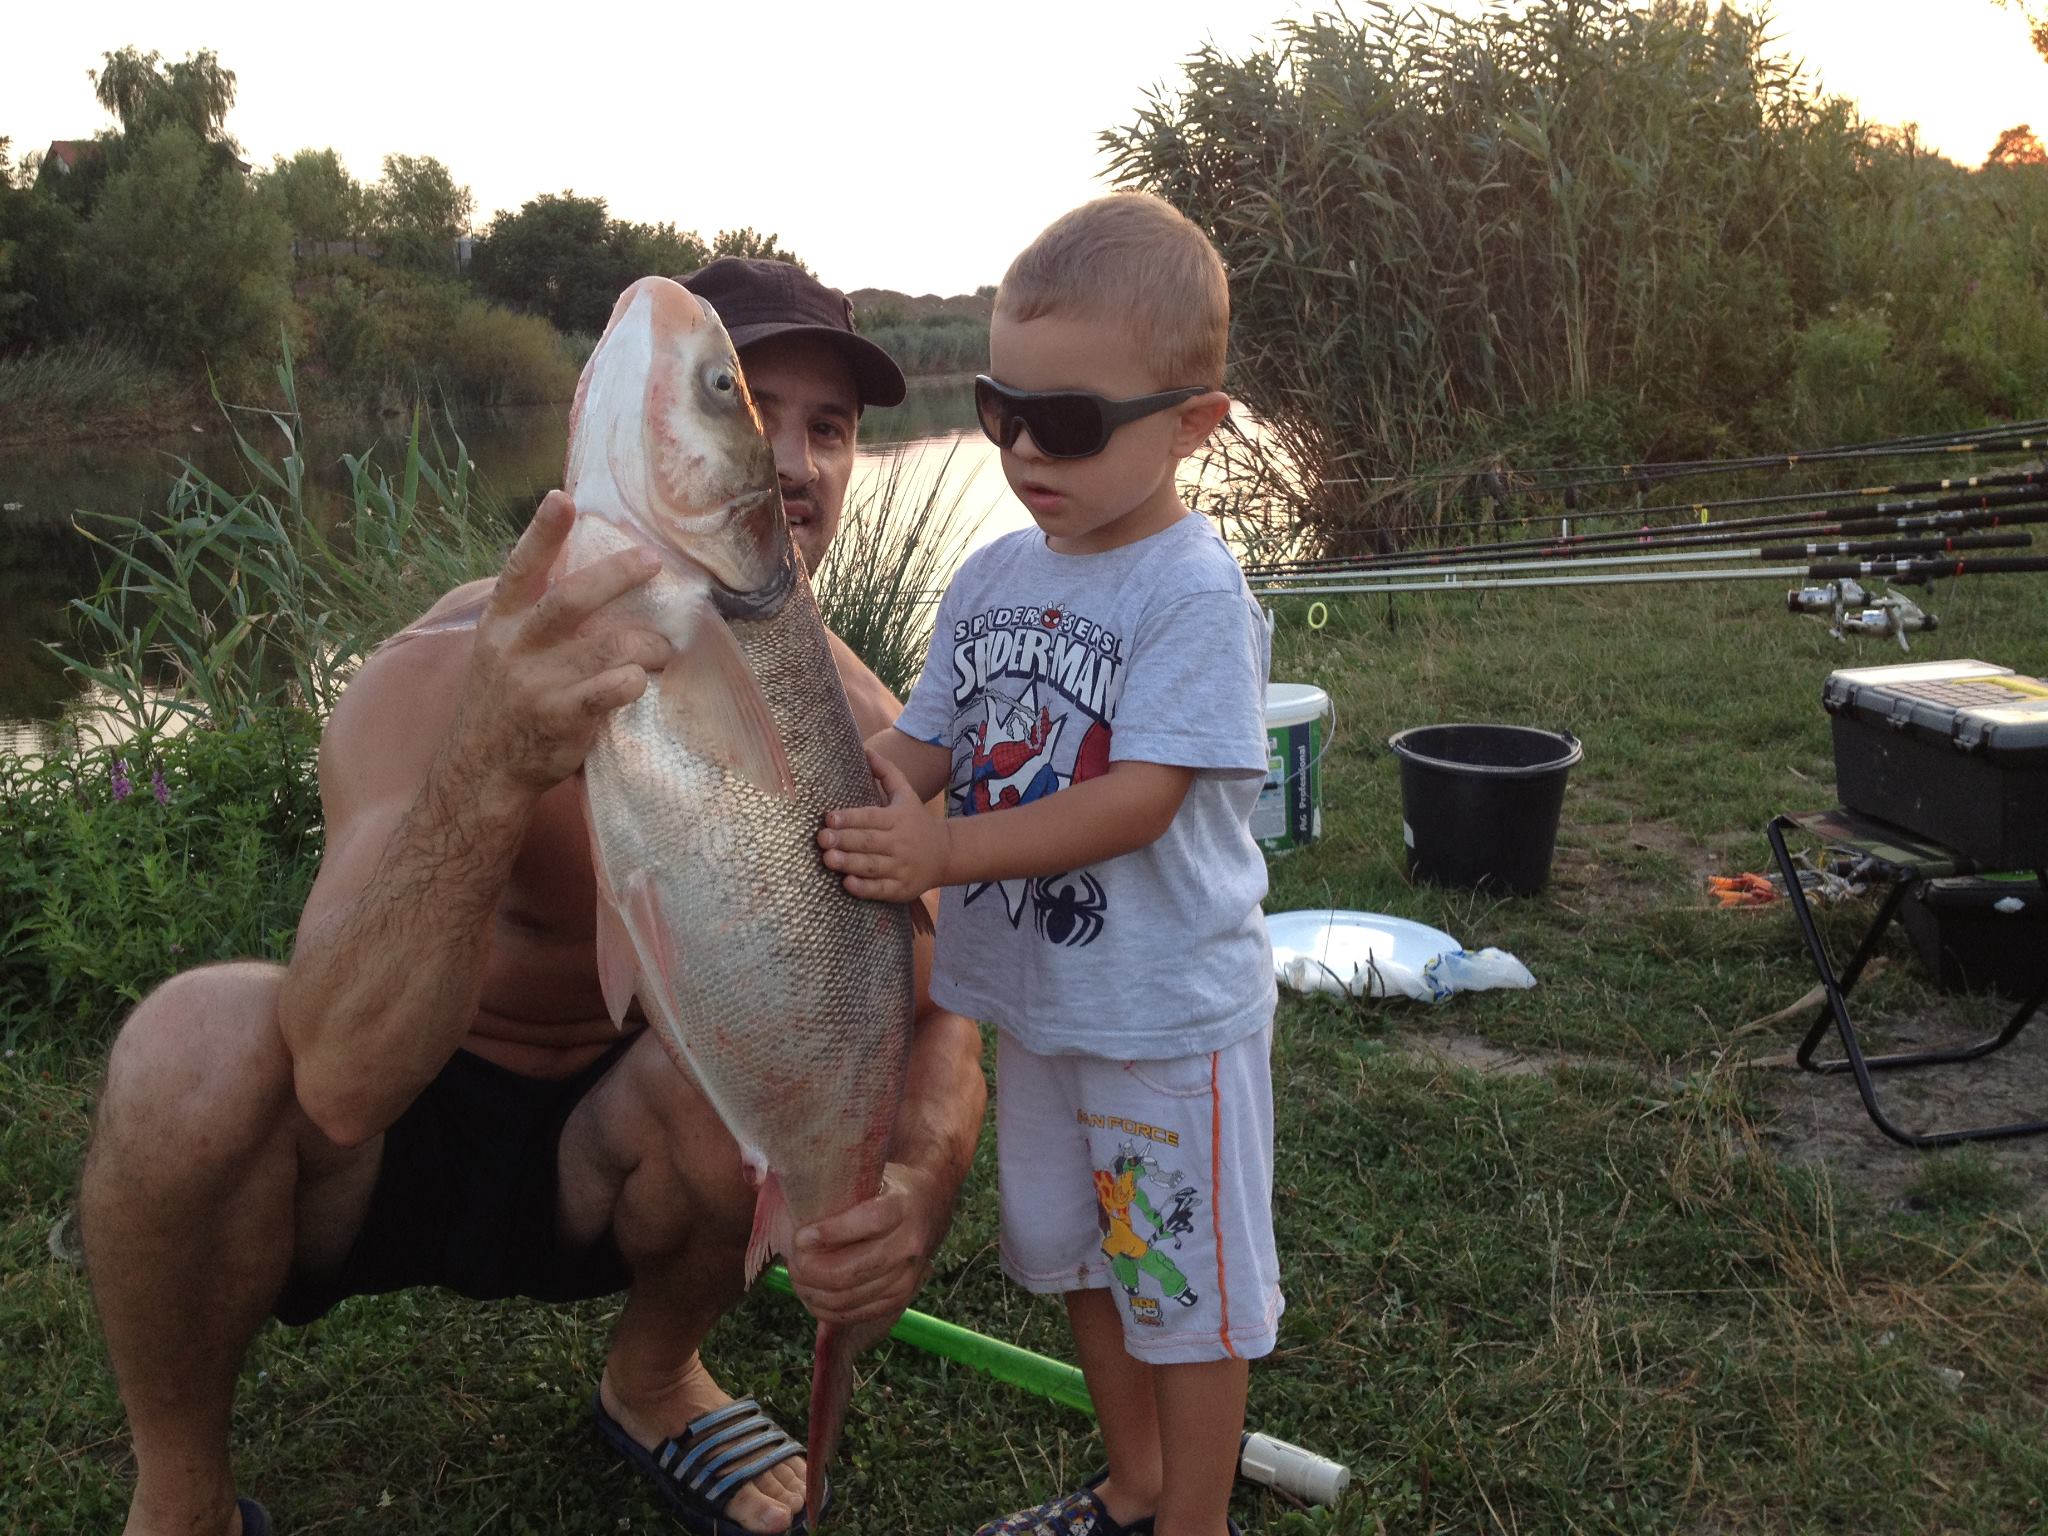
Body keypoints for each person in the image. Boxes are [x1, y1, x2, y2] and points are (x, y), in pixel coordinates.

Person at [78, 257, 988, 1536]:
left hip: (618, 1163)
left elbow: (942, 1012)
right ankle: (181, 1499)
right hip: (387, 1137)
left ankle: (653, 1377)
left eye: (828, 428)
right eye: (743, 405)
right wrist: (492, 763)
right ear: (606, 412)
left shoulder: (866, 728)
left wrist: (919, 1181)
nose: (791, 461)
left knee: (733, 1098)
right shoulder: (440, 670)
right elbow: (340, 1078)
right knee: (189, 1045)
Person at [815, 194, 1280, 1536]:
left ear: (1193, 423)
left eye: (1065, 421)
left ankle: (1191, 1523)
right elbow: (924, 742)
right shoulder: (989, 578)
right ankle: (1132, 1489)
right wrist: (837, 801)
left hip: (1159, 1021)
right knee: (1085, 1260)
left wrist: (944, 848)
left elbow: (1139, 801)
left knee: (1182, 1291)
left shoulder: (1188, 591)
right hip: (1035, 1012)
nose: (1022, 447)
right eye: (998, 408)